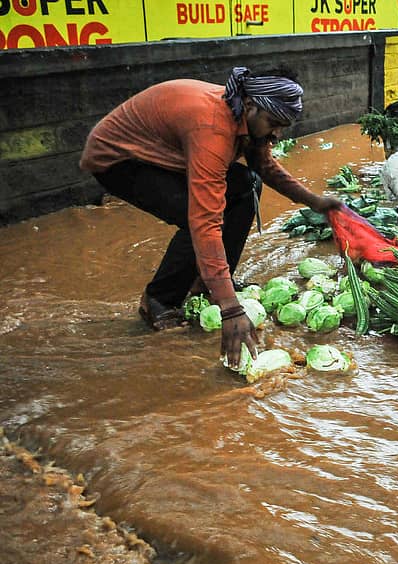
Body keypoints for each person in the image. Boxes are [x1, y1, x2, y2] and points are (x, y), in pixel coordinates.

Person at [80, 67, 342, 367]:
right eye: (274, 124)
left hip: (168, 153)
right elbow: (205, 222)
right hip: (121, 159)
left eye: (283, 126)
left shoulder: (244, 113)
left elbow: (263, 166)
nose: (277, 134)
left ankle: (208, 283)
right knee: (195, 217)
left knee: (246, 184)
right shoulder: (213, 128)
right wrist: (230, 310)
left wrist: (314, 201)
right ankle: (158, 301)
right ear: (252, 107)